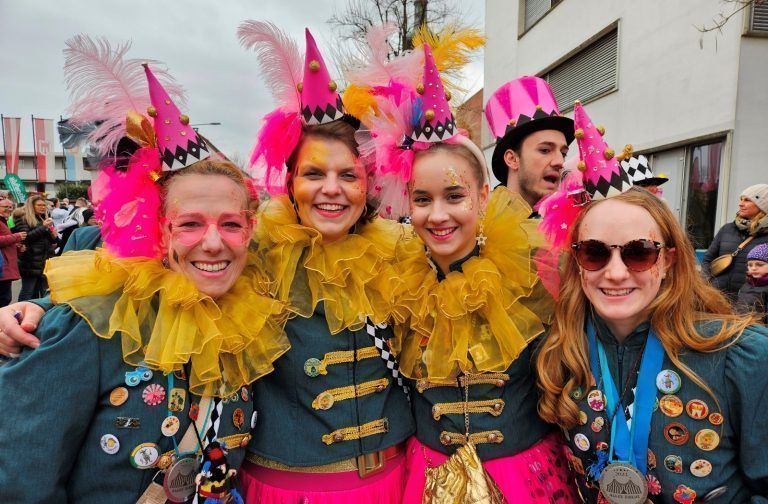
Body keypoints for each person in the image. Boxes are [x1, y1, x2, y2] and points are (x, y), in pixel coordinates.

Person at [0, 44, 288, 503]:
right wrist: (37, 308)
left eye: (230, 224)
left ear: (250, 231)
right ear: (161, 231)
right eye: (190, 224)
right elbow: (22, 483)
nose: (213, 243)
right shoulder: (85, 327)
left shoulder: (254, 318)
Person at [348, 39, 579, 502]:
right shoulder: (393, 278)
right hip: (428, 478)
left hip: (523, 477)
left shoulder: (535, 267)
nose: (438, 216)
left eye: (454, 197)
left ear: (481, 197)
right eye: (422, 199)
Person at [535, 103, 768, 502]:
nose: (616, 272)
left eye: (638, 252)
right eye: (594, 252)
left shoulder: (741, 356)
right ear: (576, 261)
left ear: (668, 259)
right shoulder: (559, 351)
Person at [232, 22, 414, 503]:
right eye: (314, 173)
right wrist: (35, 312)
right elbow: (153, 284)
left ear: (368, 185)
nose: (331, 189)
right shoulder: (247, 255)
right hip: (286, 491)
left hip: (392, 485)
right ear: (290, 182)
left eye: (347, 175)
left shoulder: (403, 253)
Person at [484, 76, 575, 210]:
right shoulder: (477, 226)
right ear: (512, 159)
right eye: (545, 150)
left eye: (563, 153)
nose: (560, 162)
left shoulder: (575, 225)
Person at [702, 183, 768, 298]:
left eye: (747, 200)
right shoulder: (727, 229)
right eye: (741, 199)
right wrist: (707, 283)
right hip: (717, 297)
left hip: (750, 302)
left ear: (763, 205)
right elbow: (707, 259)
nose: (741, 204)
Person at [13, 195, 57, 300]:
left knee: (45, 292)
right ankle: (21, 314)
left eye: (44, 205)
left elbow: (50, 241)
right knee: (28, 292)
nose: (42, 207)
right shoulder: (23, 218)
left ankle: (40, 315)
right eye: (39, 205)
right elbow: (25, 238)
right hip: (30, 261)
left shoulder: (42, 217)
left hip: (45, 261)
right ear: (31, 206)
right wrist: (43, 227)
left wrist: (54, 236)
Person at [0, 199, 25, 307]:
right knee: (4, 298)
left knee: (5, 298)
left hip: (6, 266)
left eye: (10, 207)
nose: (8, 209)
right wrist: (16, 236)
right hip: (2, 267)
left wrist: (17, 246)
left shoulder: (3, 221)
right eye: (5, 206)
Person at [737, 243, 768, 322]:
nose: (753, 268)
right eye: (750, 265)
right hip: (742, 325)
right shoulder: (747, 283)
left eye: (760, 265)